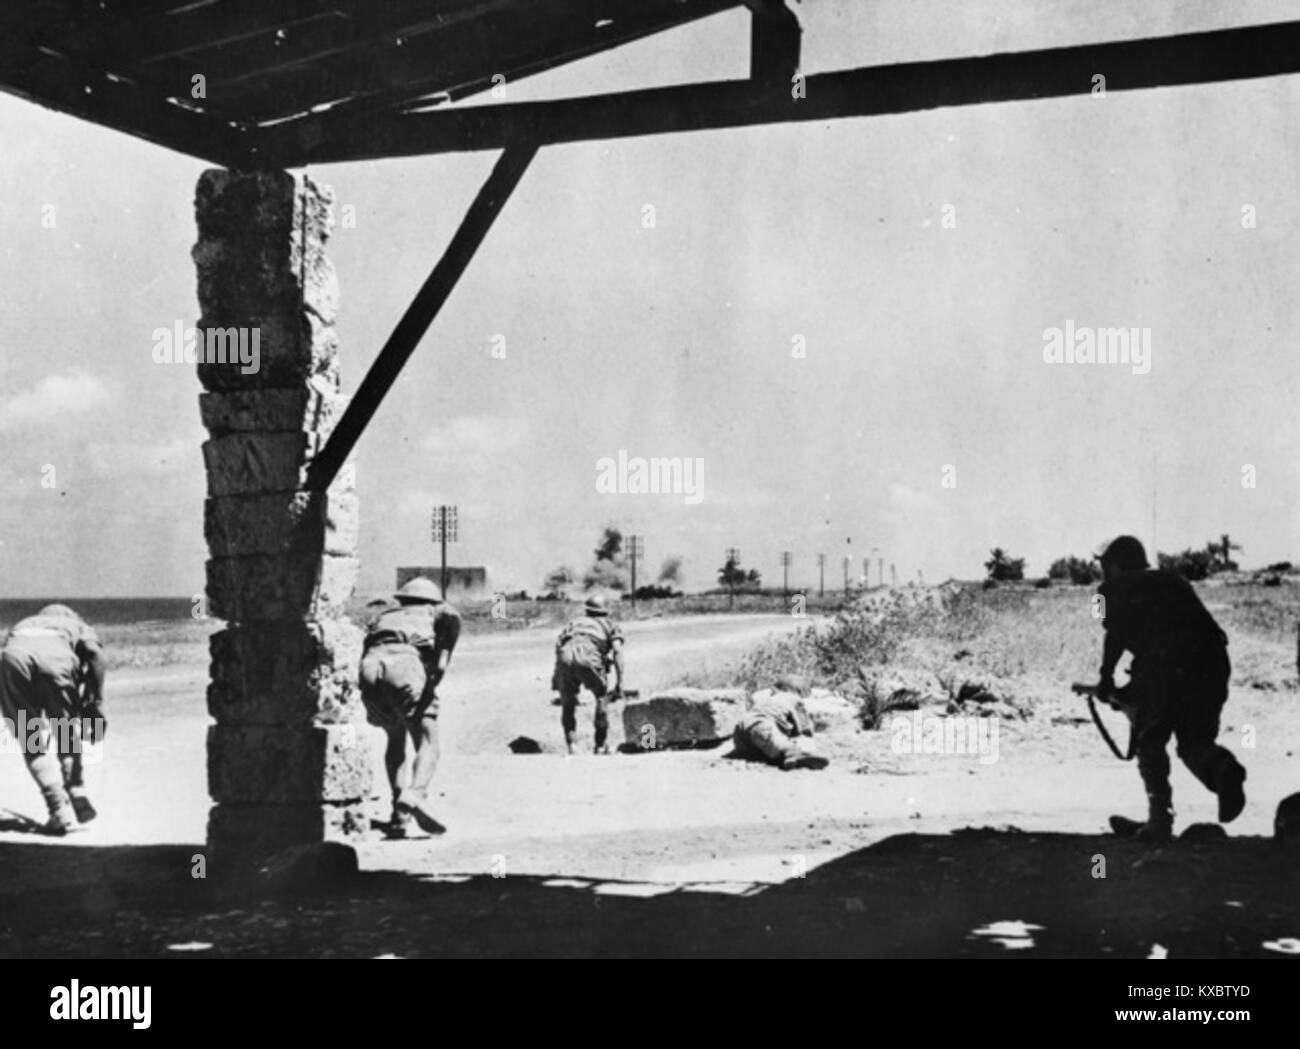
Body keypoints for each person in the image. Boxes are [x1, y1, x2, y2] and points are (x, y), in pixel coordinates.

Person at [1089, 535, 1246, 841]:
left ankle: (1159, 820)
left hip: (1166, 663)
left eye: (1105, 564)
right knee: (1194, 740)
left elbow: (1117, 636)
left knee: (1151, 740)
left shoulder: (1111, 590)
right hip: (1213, 661)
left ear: (1115, 564)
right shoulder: (1175, 580)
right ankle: (1223, 769)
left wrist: (1106, 679)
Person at [359, 578, 461, 838]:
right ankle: (414, 795)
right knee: (428, 741)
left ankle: (398, 814)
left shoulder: (384, 617)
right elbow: (439, 665)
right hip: (404, 664)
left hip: (370, 668)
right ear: (432, 601)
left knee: (395, 737)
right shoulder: (438, 613)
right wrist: (429, 688)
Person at [0, 604, 106, 834]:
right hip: (58, 662)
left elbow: (10, 649)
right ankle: (76, 787)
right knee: (65, 731)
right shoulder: (76, 624)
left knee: (31, 739)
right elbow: (96, 655)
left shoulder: (24, 623)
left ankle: (58, 809)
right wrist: (95, 702)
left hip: (13, 660)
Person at [553, 595, 624, 754]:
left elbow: (558, 647)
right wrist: (620, 683)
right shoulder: (610, 624)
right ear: (605, 610)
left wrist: (558, 678)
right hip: (589, 658)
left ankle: (572, 746)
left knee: (568, 704)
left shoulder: (574, 623)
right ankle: (600, 745)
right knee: (601, 697)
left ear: (587, 610)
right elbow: (618, 651)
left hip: (565, 657)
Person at [733, 690, 829, 770]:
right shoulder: (794, 698)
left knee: (766, 742)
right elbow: (804, 729)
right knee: (783, 744)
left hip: (739, 733)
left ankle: (774, 754)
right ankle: (793, 754)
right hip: (761, 724)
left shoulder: (767, 699)